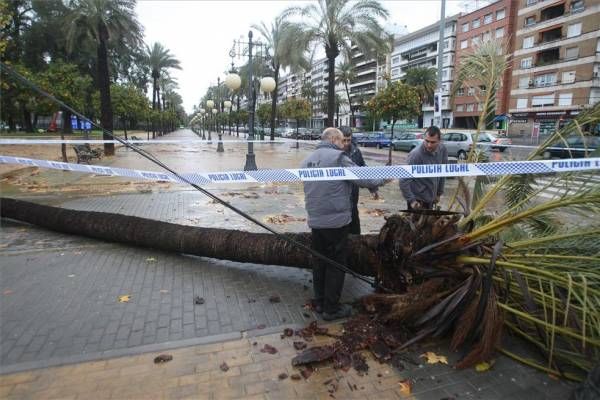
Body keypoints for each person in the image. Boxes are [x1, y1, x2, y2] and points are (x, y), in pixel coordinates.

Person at [301, 127, 386, 321]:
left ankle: (321, 302)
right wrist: (385, 177)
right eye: (341, 141)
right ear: (332, 139)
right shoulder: (338, 158)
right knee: (336, 264)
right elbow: (364, 178)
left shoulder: (307, 160)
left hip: (315, 220)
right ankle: (331, 309)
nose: (344, 145)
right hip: (336, 222)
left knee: (319, 262)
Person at [340, 126, 378, 235]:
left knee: (356, 235)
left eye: (349, 140)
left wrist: (373, 188)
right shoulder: (333, 154)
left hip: (353, 201)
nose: (346, 143)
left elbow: (363, 170)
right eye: (344, 140)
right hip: (339, 204)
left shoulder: (356, 152)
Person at [400, 126, 448, 210]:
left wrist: (439, 193)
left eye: (433, 142)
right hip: (418, 200)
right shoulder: (416, 155)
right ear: (424, 138)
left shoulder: (442, 150)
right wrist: (412, 201)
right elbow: (403, 180)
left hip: (431, 198)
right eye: (427, 141)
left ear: (439, 141)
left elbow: (443, 173)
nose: (429, 145)